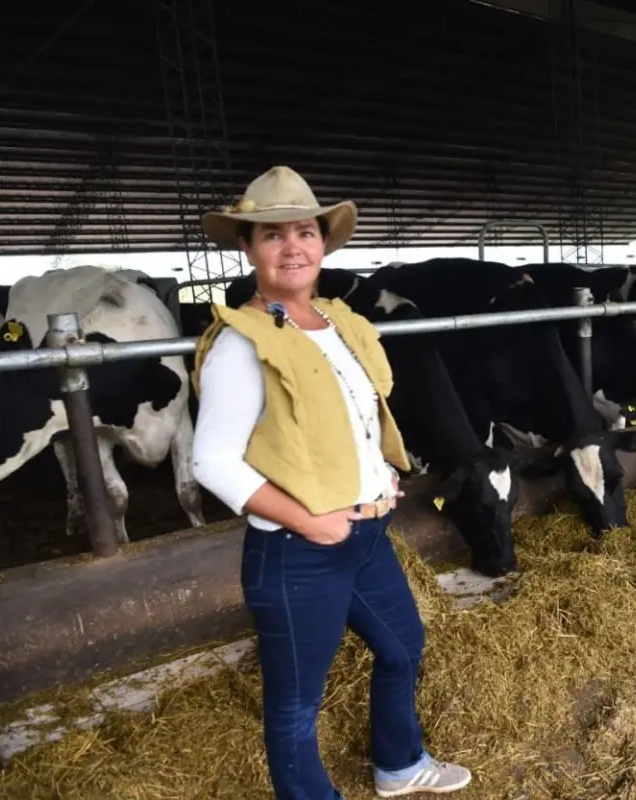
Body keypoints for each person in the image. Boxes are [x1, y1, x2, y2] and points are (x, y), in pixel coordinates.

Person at [190, 165, 473, 798]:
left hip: (366, 535)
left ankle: (398, 766)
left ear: (323, 243)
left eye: (304, 232)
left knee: (403, 645)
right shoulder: (243, 344)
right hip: (297, 551)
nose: (292, 247)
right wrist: (310, 521)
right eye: (272, 235)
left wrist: (380, 480)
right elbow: (210, 462)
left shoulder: (339, 324)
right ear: (248, 248)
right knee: (296, 704)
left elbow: (352, 423)